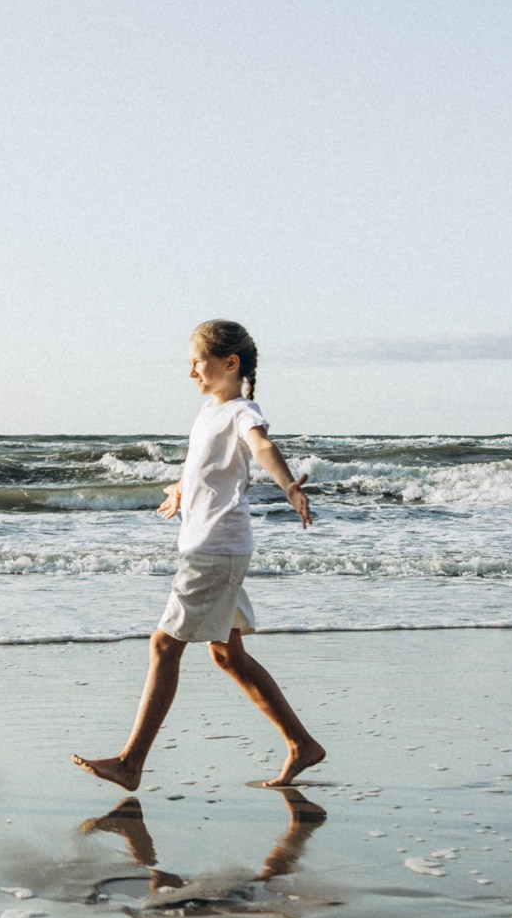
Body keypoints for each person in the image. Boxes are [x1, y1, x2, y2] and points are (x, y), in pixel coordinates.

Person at [74, 319, 326, 791]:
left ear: (229, 363)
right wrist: (181, 490)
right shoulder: (210, 411)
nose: (191, 372)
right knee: (228, 655)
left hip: (215, 548)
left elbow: (263, 447)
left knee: (164, 645)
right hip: (215, 545)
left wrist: (289, 485)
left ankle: (131, 762)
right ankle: (302, 745)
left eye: (198, 362)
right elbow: (205, 469)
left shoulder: (241, 411)